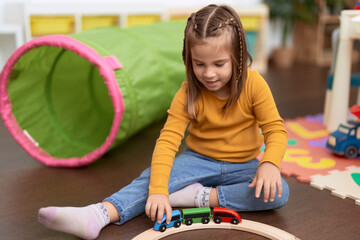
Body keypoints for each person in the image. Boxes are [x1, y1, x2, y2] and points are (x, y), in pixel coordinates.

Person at [38, 4, 289, 239]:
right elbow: (168, 142)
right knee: (151, 179)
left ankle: (199, 196)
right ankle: (98, 214)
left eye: (219, 64)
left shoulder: (254, 84)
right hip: (198, 160)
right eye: (199, 64)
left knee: (279, 193)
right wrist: (158, 190)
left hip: (243, 165)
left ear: (239, 57)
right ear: (188, 59)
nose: (209, 73)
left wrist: (270, 163)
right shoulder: (188, 92)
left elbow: (275, 130)